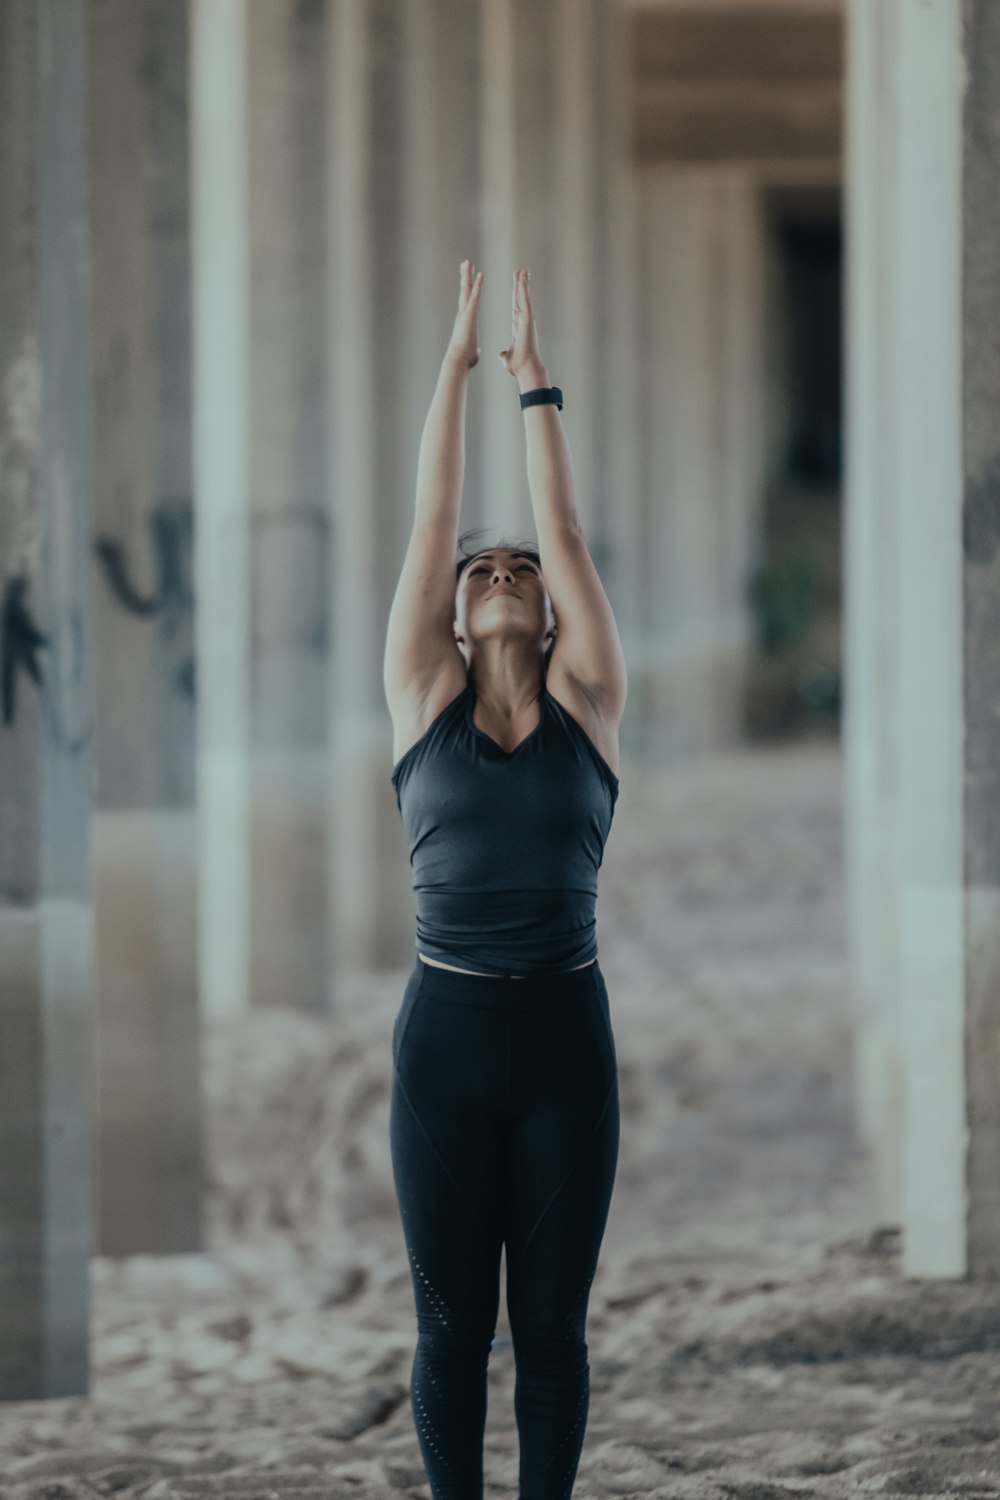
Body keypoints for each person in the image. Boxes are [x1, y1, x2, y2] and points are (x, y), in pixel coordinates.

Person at [383, 260, 627, 1500]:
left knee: (550, 1332)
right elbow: (432, 523)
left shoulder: (591, 704)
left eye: (513, 572)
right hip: (445, 1040)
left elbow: (565, 533)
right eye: (480, 574)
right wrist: (451, 366)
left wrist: (536, 389)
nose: (492, 574)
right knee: (445, 1332)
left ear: (545, 614)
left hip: (563, 1040)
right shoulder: (420, 702)